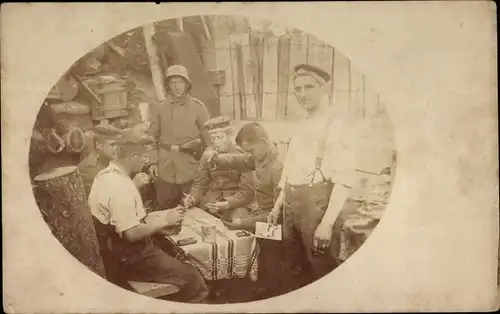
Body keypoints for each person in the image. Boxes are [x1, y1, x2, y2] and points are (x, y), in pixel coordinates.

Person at [87, 128, 209, 303]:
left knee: (178, 253)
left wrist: (160, 228)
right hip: (125, 257)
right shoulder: (120, 185)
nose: (146, 161)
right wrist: (163, 222)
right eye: (144, 157)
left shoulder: (105, 175)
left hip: (114, 249)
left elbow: (124, 223)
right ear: (133, 156)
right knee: (193, 277)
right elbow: (131, 233)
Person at [267, 63, 356, 287]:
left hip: (316, 208)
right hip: (291, 206)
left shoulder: (336, 126)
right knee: (294, 269)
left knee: (323, 271)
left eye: (309, 87)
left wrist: (326, 223)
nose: (302, 94)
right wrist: (278, 205)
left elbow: (344, 181)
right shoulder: (300, 125)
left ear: (324, 88)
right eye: (297, 89)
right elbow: (290, 168)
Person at [203, 122, 300, 298]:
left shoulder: (278, 167)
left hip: (276, 224)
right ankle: (259, 285)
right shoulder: (261, 155)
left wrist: (243, 222)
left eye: (250, 150)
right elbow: (241, 160)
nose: (249, 155)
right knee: (249, 246)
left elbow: (276, 215)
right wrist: (217, 159)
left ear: (263, 141)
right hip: (262, 215)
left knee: (269, 258)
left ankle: (275, 293)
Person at [147, 64, 211, 209]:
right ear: (168, 85)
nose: (176, 87)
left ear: (187, 84)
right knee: (165, 209)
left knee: (192, 209)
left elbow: (209, 141)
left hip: (190, 169)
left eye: (180, 82)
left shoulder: (198, 108)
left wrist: (205, 168)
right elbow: (152, 138)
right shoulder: (160, 107)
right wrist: (152, 162)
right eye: (172, 83)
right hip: (165, 169)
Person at [183, 116, 255, 221]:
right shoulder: (208, 153)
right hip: (211, 203)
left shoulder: (242, 154)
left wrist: (227, 204)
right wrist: (192, 198)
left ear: (229, 135)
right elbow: (200, 183)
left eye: (219, 137)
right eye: (212, 139)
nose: (216, 142)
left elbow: (247, 192)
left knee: (237, 222)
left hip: (236, 204)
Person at [78, 124, 150, 198]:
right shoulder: (89, 168)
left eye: (117, 145)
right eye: (112, 145)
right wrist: (133, 185)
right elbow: (106, 198)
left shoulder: (111, 162)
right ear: (98, 145)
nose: (116, 149)